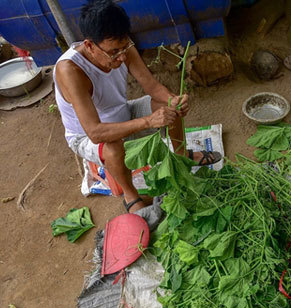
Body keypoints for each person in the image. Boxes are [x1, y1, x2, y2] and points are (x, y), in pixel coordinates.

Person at [53, 0, 221, 214]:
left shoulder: (123, 46)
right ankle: (131, 196)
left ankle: (180, 159)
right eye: (114, 52)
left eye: (124, 48)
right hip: (87, 136)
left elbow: (151, 86)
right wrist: (149, 121)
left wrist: (173, 99)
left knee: (168, 106)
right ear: (89, 46)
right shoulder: (71, 70)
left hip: (124, 113)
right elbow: (95, 132)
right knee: (113, 148)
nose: (121, 57)